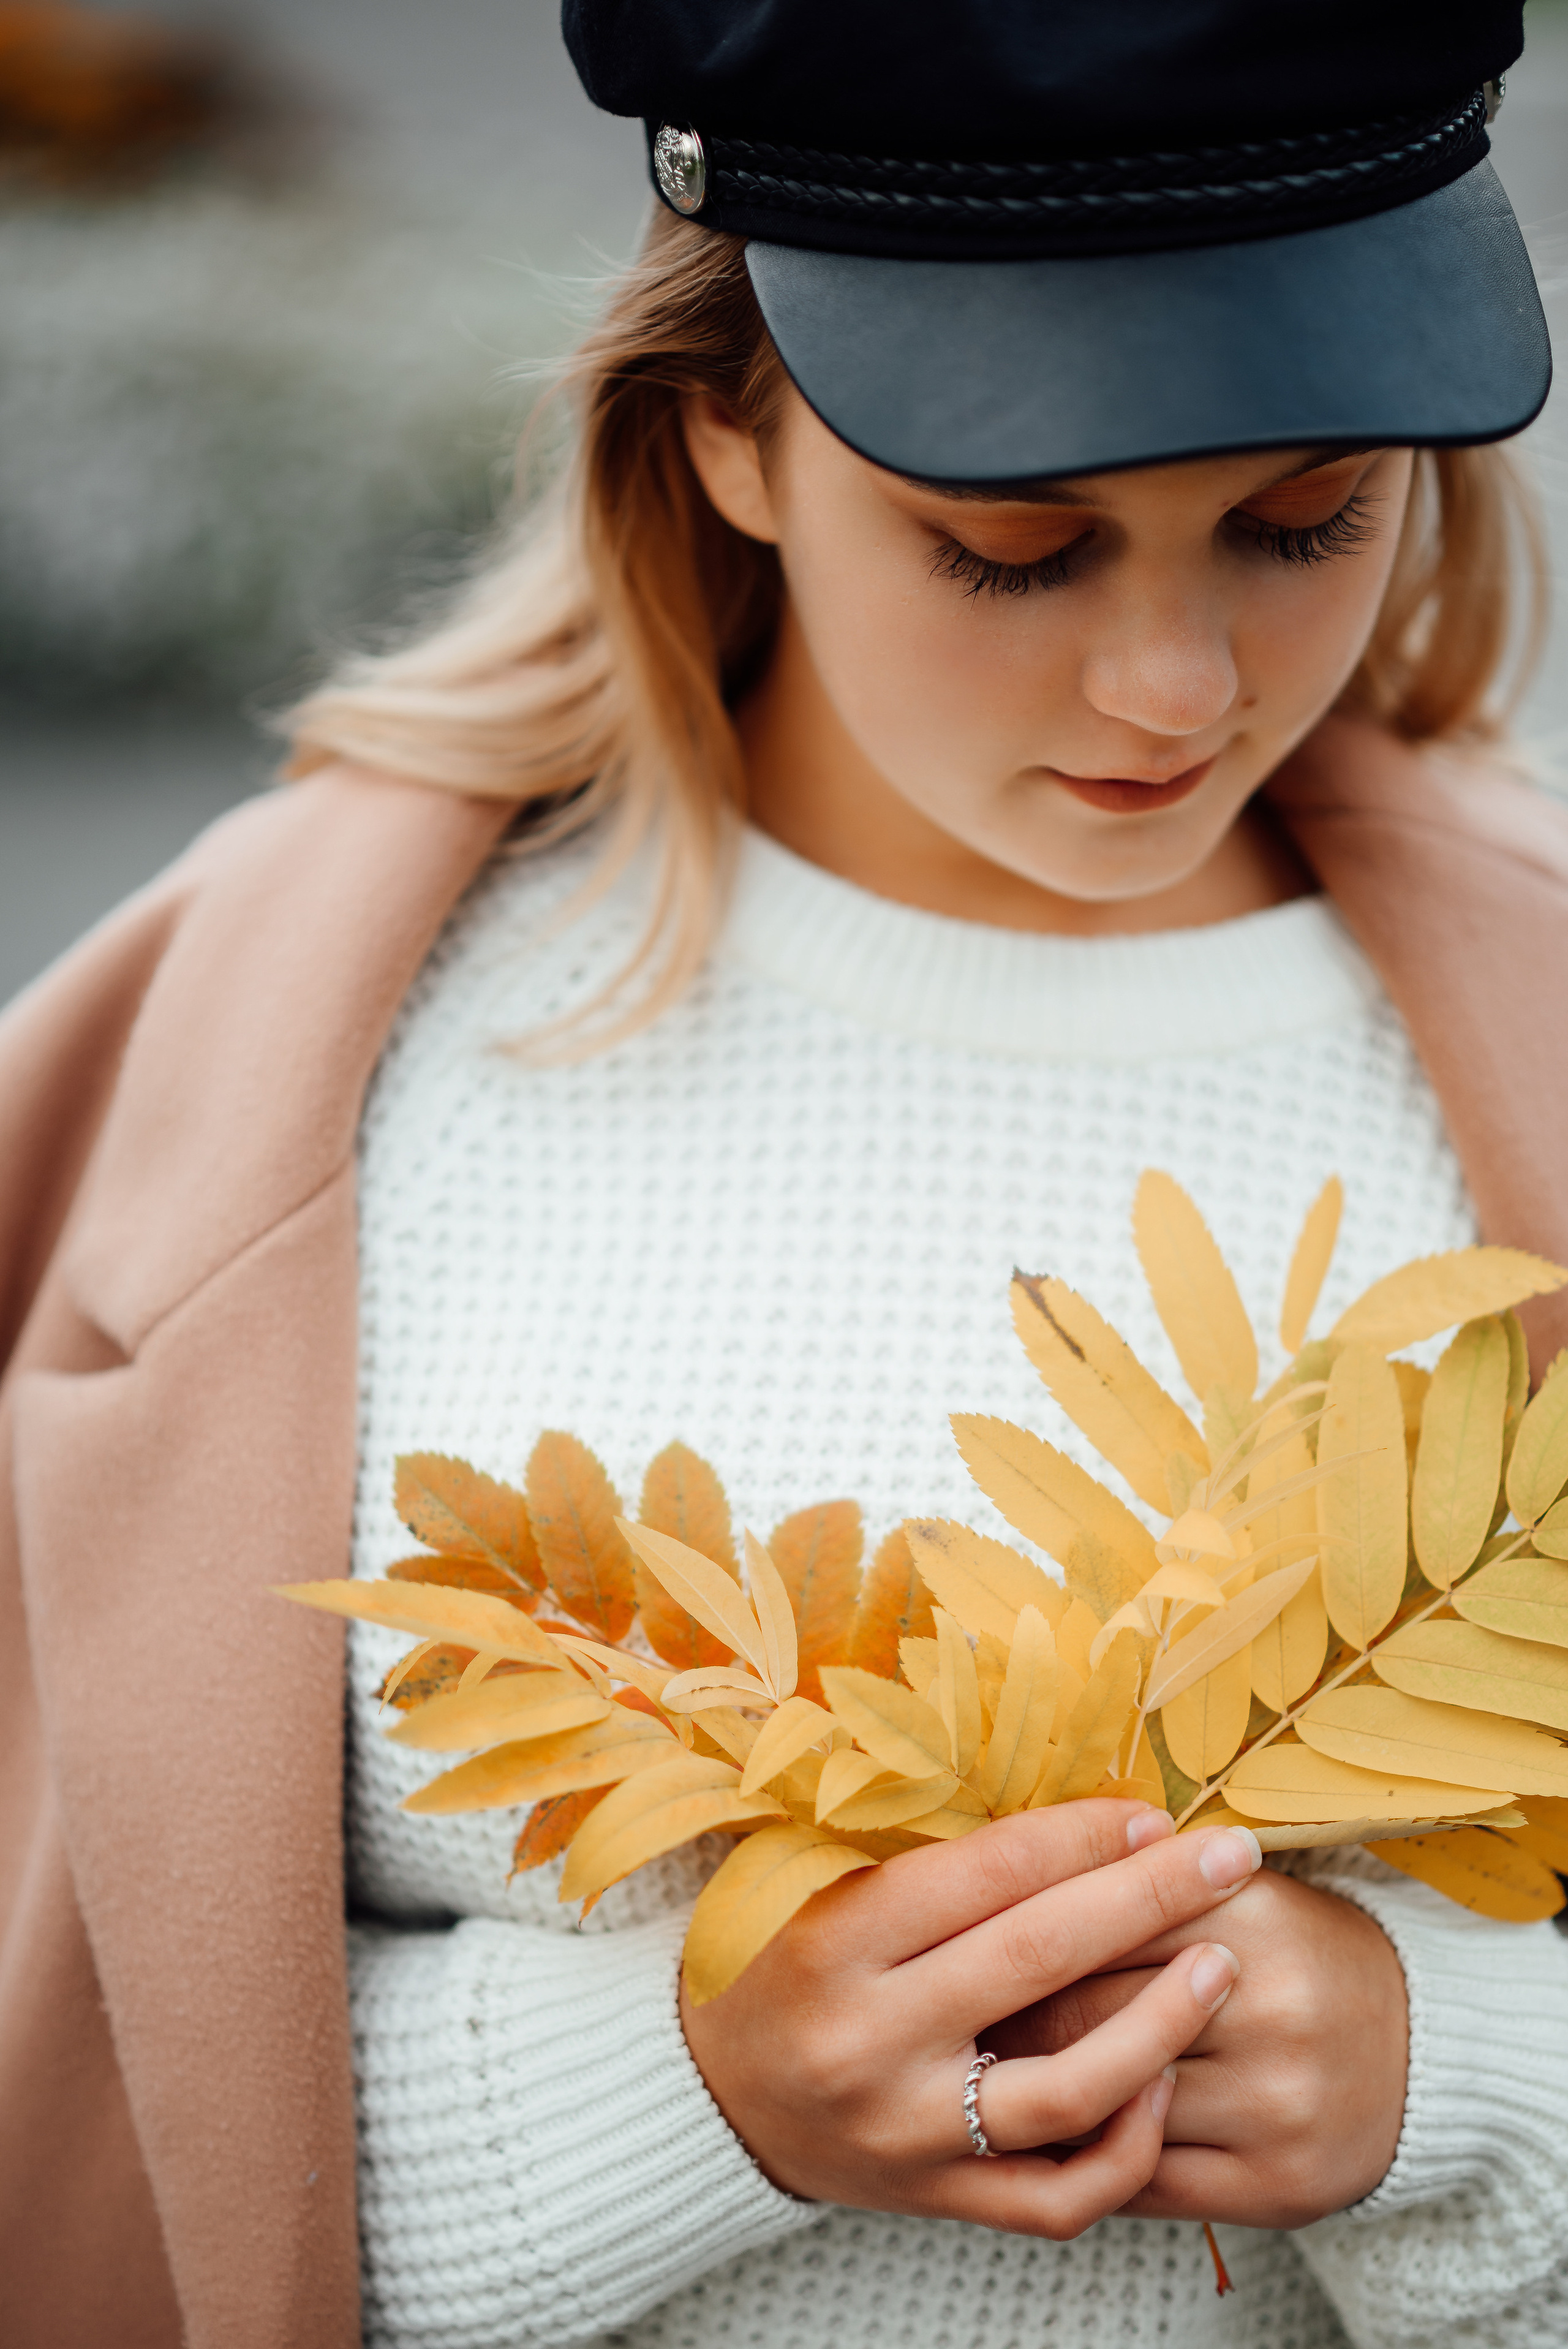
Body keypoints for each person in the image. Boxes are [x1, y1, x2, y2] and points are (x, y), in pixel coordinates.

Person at [4, 4, 1568, 2345]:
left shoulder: (1526, 1045)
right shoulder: (258, 1075)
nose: (1171, 683)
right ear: (725, 427)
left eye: (1302, 518)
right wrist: (680, 2093)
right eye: (1011, 545)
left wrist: (1460, 2081)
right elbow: (81, 2104)